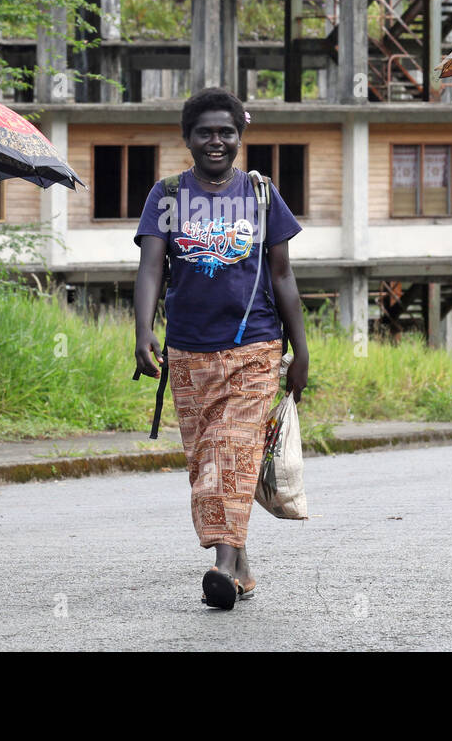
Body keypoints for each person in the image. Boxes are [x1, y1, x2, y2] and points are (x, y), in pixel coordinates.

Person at [133, 87, 309, 610]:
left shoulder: (260, 195)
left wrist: (301, 351)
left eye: (226, 132)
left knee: (233, 450)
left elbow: (283, 276)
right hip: (188, 353)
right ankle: (242, 567)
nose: (216, 141)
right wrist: (143, 331)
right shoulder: (166, 195)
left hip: (255, 346)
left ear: (240, 136)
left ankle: (223, 566)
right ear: (187, 138)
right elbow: (149, 268)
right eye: (205, 132)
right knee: (209, 461)